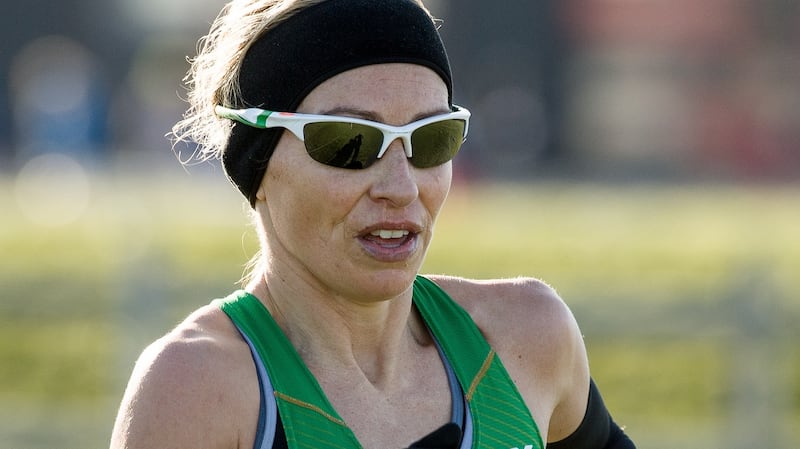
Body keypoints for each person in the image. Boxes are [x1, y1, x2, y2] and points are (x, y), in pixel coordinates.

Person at [110, 1, 636, 448]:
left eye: (433, 139)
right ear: (256, 162)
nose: (401, 187)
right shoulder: (198, 389)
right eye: (349, 143)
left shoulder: (528, 339)